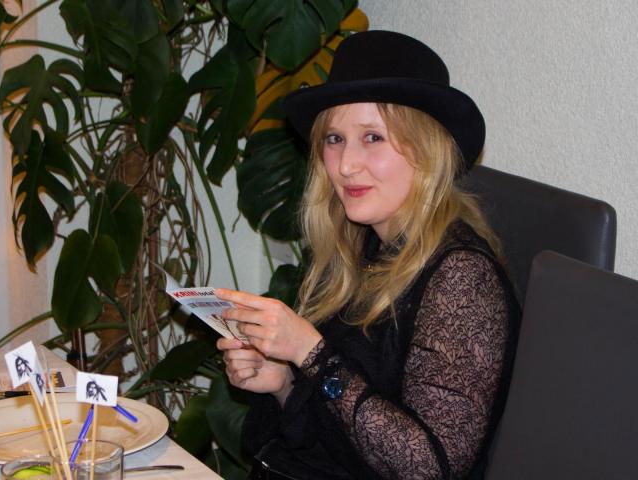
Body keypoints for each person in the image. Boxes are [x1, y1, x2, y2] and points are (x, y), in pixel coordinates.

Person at [216, 30, 521, 480]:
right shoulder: (352, 248)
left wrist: (310, 353)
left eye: (373, 137)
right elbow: (342, 437)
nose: (345, 165)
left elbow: (429, 468)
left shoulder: (461, 277)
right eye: (334, 139)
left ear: (427, 150)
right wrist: (283, 384)